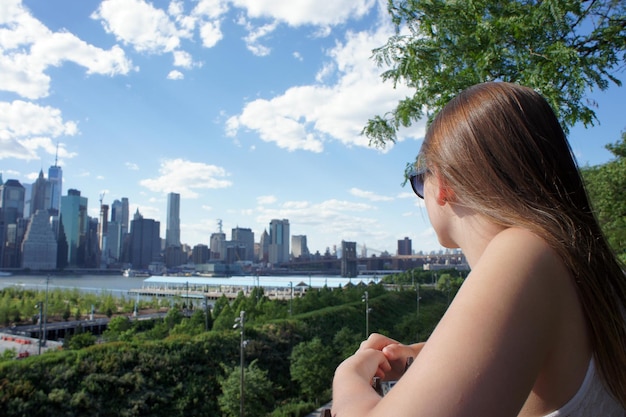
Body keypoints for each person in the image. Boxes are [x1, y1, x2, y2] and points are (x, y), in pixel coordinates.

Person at [331, 82, 626, 416]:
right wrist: (416, 356)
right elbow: (518, 346)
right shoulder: (584, 268)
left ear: (443, 185)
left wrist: (349, 377)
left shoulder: (524, 253)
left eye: (418, 181)